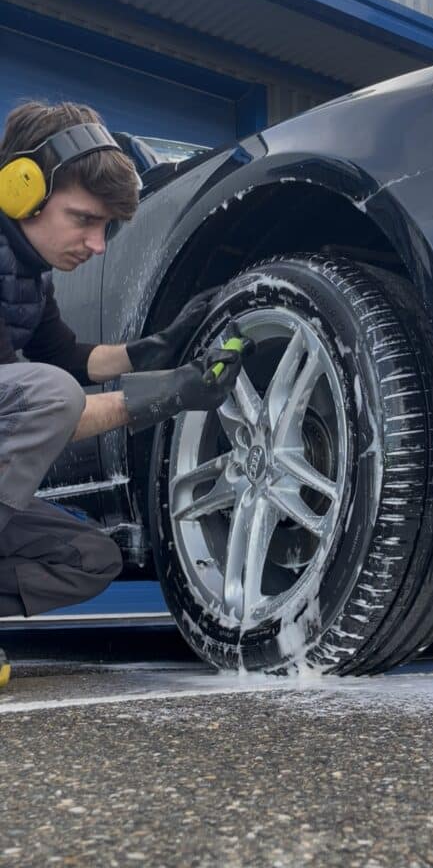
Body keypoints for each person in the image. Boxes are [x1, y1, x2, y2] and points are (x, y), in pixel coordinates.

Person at [0, 101, 245, 688]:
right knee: (53, 397)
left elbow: (72, 359)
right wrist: (167, 395)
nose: (98, 244)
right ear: (20, 188)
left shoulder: (27, 273)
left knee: (91, 559)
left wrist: (155, 348)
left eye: (106, 228)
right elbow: (53, 402)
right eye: (83, 219)